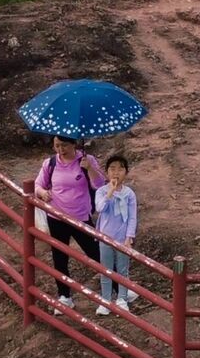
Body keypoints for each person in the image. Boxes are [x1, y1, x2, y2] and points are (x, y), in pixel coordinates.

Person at [34, 134, 105, 305]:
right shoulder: (50, 163)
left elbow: (100, 185)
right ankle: (64, 296)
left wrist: (90, 168)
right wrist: (43, 193)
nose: (60, 149)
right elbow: (37, 185)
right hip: (56, 216)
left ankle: (120, 288)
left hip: (80, 217)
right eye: (57, 145)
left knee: (96, 253)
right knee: (59, 257)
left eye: (64, 145)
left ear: (74, 144)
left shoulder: (87, 160)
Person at [92, 154, 138, 316]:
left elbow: (132, 217)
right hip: (105, 238)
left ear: (126, 172)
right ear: (107, 172)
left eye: (120, 169)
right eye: (112, 169)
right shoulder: (101, 191)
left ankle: (122, 299)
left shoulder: (129, 194)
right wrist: (110, 192)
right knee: (106, 270)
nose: (116, 172)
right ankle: (106, 301)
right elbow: (100, 208)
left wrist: (129, 236)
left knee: (123, 270)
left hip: (122, 238)